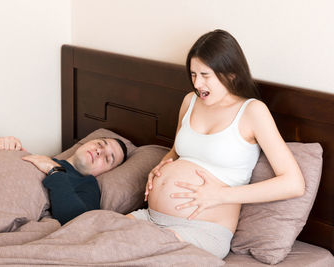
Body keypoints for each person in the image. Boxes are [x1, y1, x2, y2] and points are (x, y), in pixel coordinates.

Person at [127, 29, 305, 259]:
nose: (197, 83)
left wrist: (221, 195)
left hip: (202, 230)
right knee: (96, 231)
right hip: (151, 217)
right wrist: (162, 166)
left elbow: (293, 183)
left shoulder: (252, 112)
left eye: (205, 74)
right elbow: (176, 152)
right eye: (192, 74)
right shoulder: (190, 101)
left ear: (230, 74)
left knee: (125, 251)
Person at [0, 135, 127, 225]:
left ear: (105, 172)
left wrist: (54, 171)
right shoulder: (38, 158)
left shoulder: (87, 185)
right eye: (100, 144)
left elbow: (78, 223)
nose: (100, 151)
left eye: (107, 158)